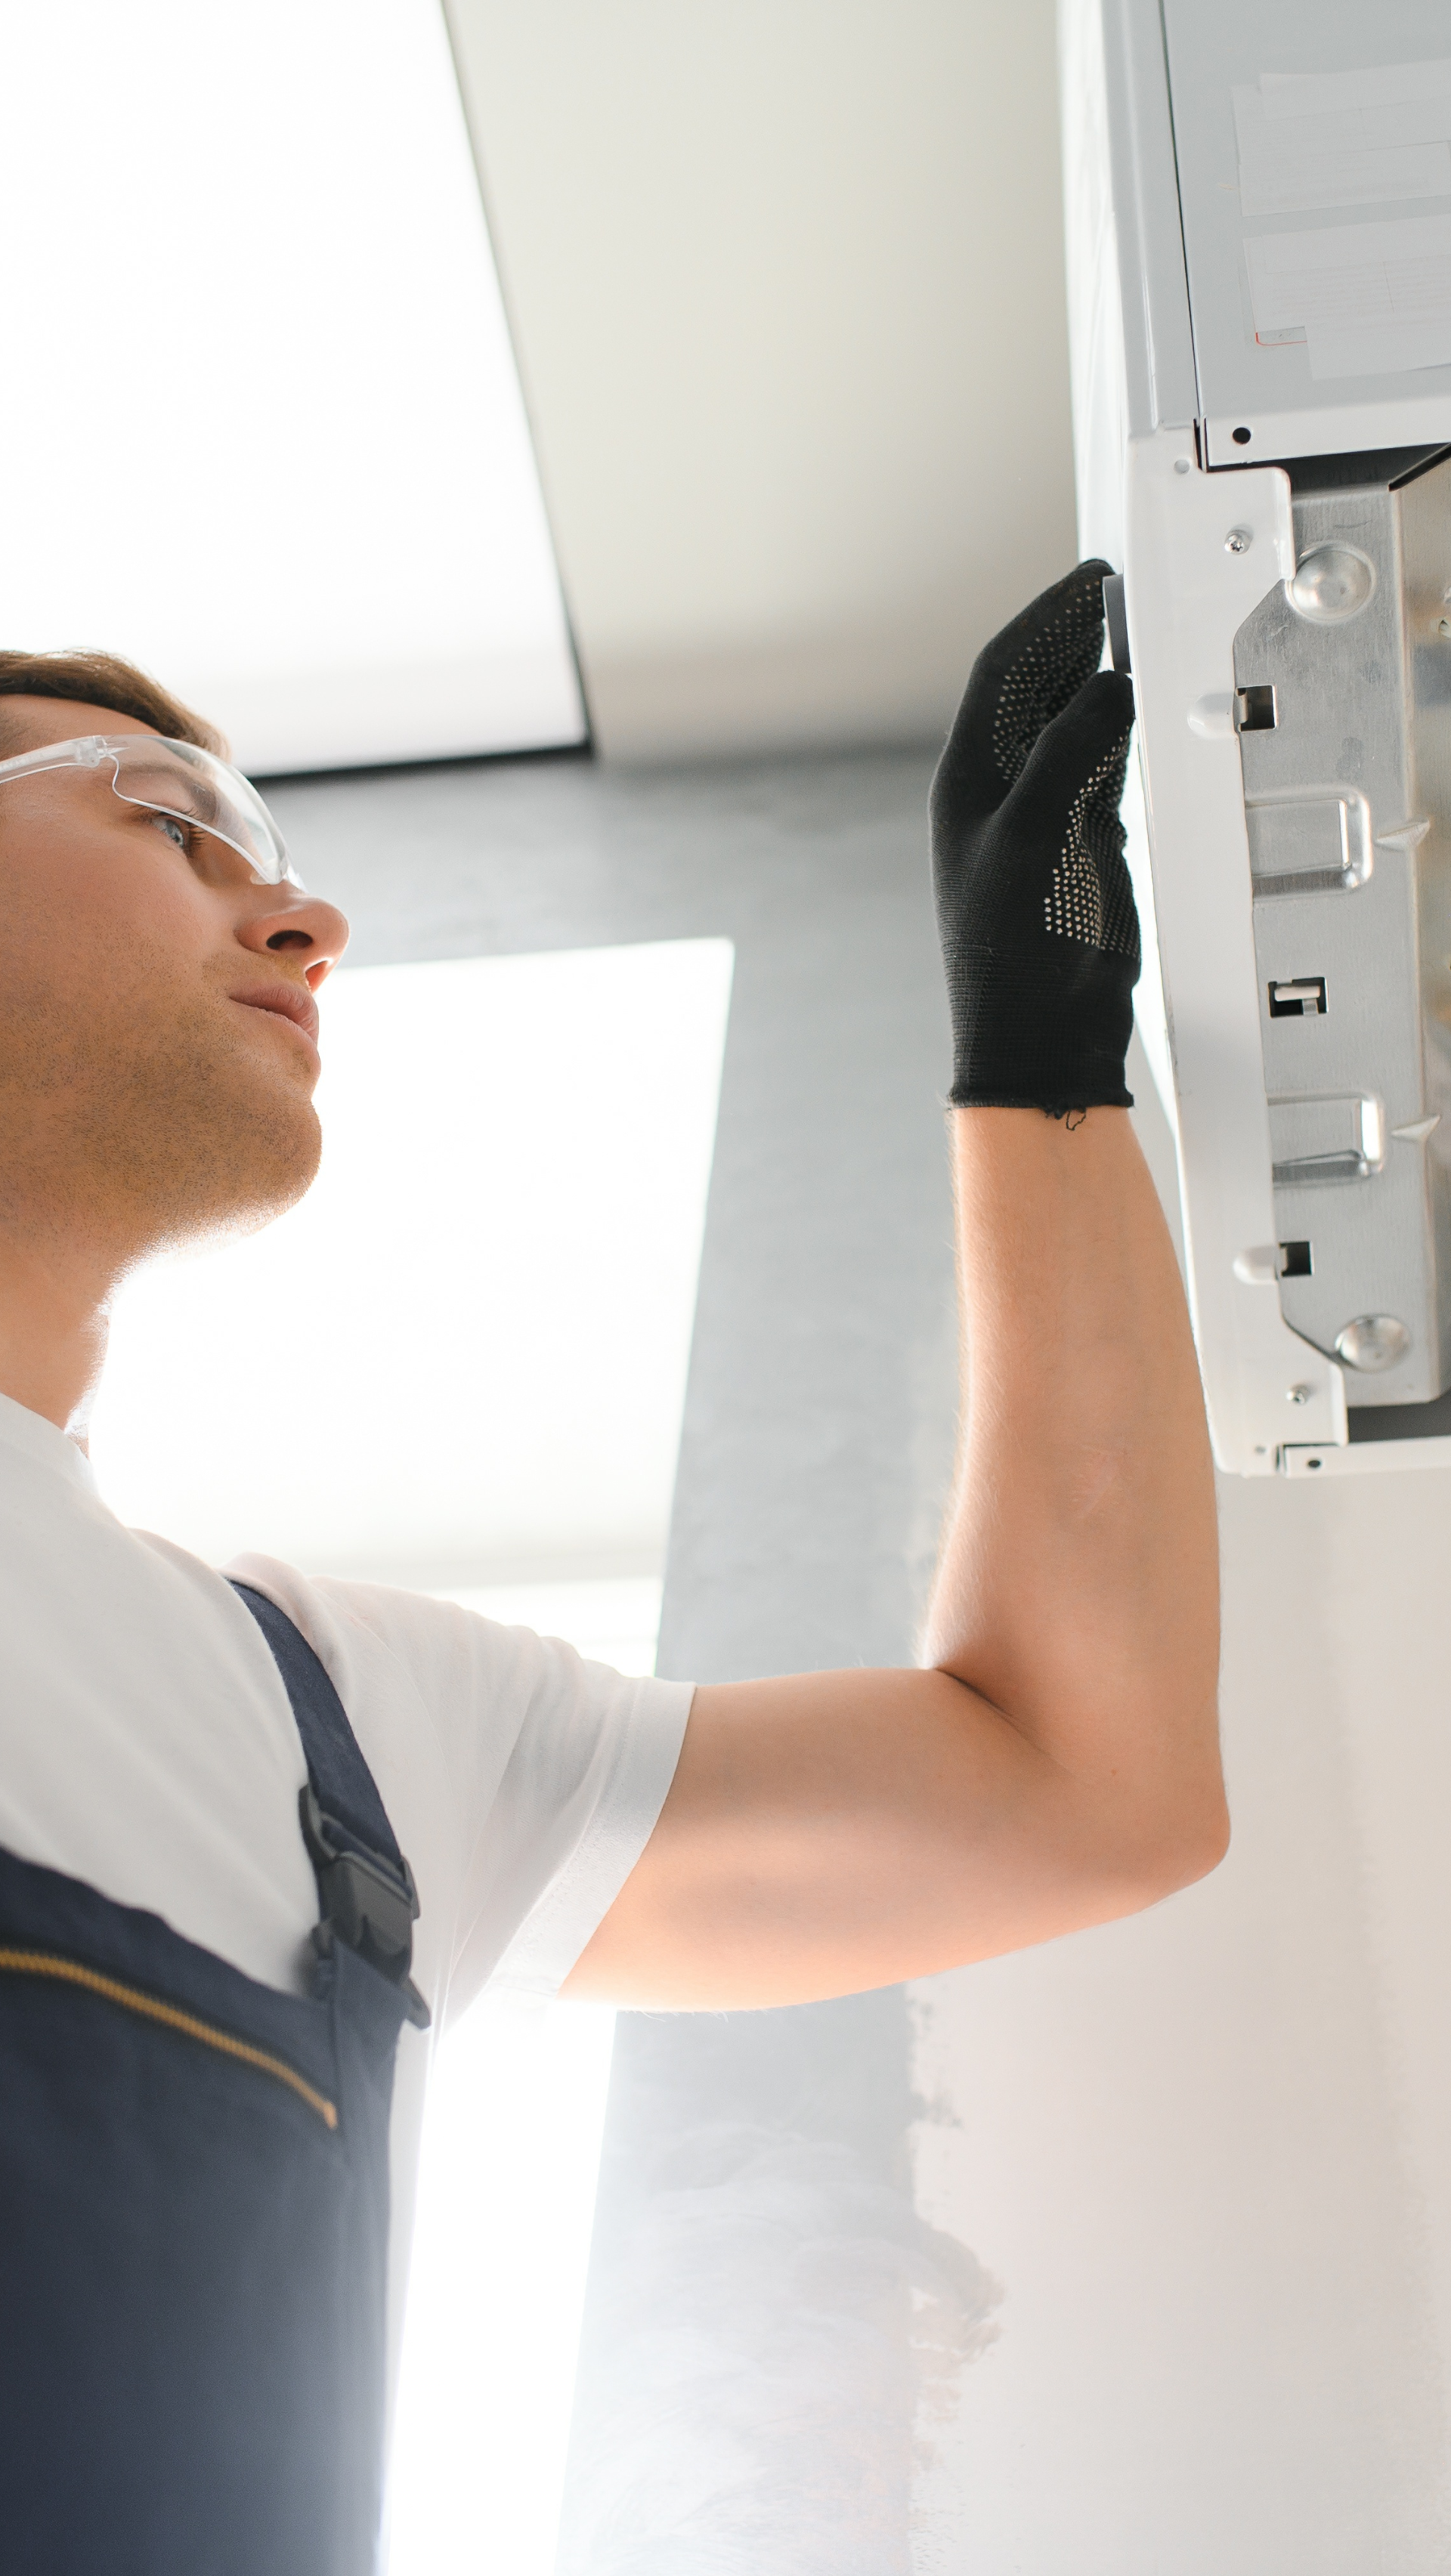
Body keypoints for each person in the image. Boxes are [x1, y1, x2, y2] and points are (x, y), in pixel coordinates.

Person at [0, 561, 1225, 2571]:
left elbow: (1074, 1781)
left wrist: (1046, 1054)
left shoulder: (331, 1741)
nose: (300, 916)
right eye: (161, 819)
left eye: (276, 856)